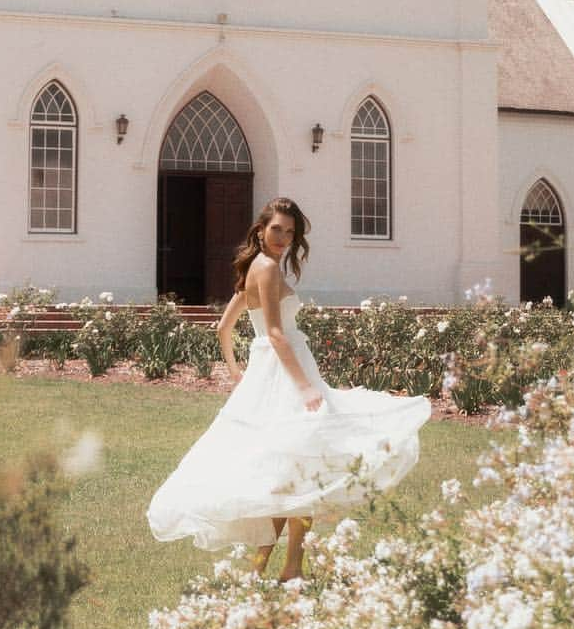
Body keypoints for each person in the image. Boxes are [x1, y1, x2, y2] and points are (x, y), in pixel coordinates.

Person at [147, 196, 431, 579]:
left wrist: (237, 372)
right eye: (276, 229)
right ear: (260, 231)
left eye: (290, 231)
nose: (283, 237)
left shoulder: (256, 268)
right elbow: (278, 334)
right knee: (301, 467)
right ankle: (277, 566)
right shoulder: (264, 269)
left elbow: (223, 328)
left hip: (272, 372)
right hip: (286, 374)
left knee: (298, 468)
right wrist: (304, 388)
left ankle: (283, 566)